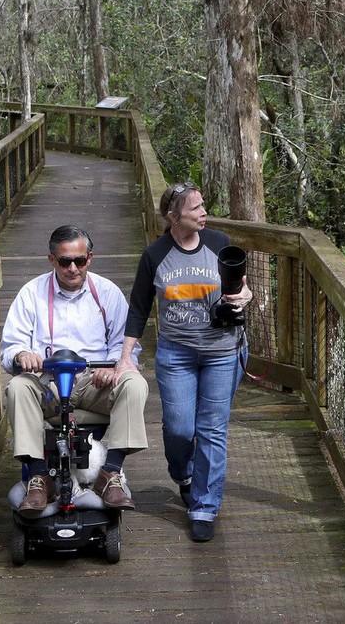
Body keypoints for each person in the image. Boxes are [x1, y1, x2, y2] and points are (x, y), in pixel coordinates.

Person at [118, 181, 252, 542]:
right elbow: (138, 309)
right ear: (173, 216)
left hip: (222, 351)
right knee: (179, 429)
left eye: (203, 206)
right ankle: (184, 475)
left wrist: (241, 298)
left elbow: (242, 288)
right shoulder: (155, 254)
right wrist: (125, 358)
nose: (204, 212)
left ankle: (205, 507)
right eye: (195, 208)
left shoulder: (220, 243)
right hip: (176, 354)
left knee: (212, 429)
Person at [0, 224, 147, 515]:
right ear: (51, 260)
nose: (72, 268)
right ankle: (39, 477)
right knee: (18, 386)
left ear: (89, 258)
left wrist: (117, 366)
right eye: (64, 261)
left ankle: (111, 473)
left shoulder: (107, 293)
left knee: (134, 383)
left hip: (95, 381)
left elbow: (127, 347)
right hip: (50, 383)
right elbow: (10, 349)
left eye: (79, 260)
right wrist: (22, 355)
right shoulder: (32, 293)